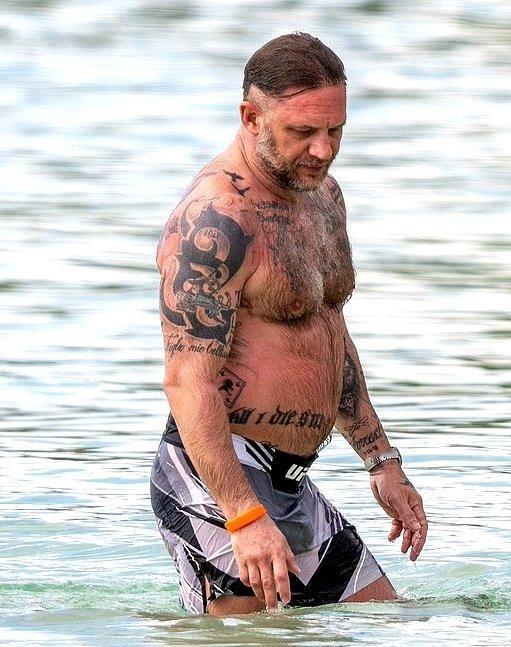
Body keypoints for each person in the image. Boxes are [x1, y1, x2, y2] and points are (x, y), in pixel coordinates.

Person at [150, 32, 427, 616]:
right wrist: (242, 515)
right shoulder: (217, 218)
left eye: (335, 131)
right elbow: (187, 381)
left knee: (387, 621)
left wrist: (381, 460)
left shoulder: (323, 198)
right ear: (251, 118)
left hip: (291, 479)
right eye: (303, 132)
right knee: (249, 640)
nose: (323, 150)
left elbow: (329, 332)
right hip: (218, 477)